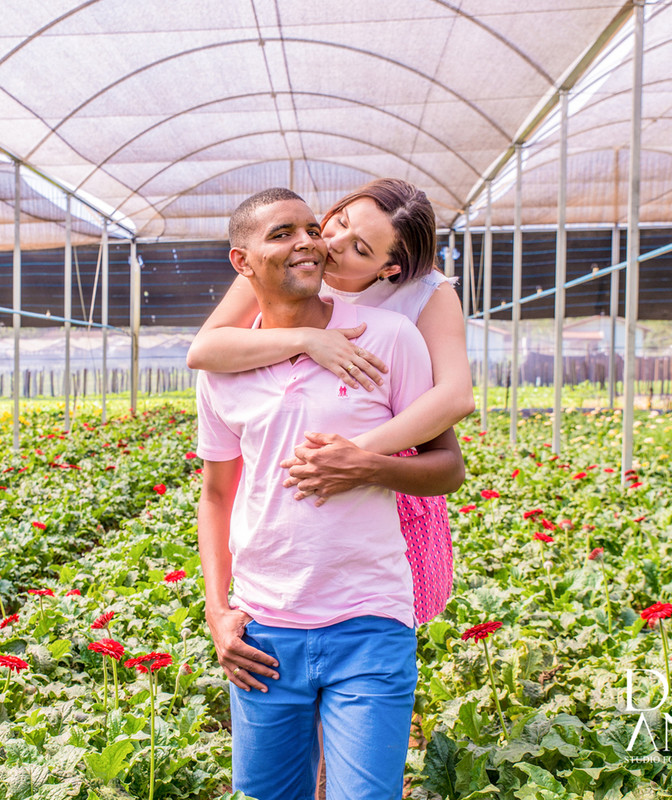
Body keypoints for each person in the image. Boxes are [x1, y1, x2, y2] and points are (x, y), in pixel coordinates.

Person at [196, 188, 465, 800]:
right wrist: (218, 609)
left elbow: (448, 455)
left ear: (388, 267)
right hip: (264, 624)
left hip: (368, 615)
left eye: (320, 231)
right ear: (243, 263)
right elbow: (215, 494)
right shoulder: (226, 364)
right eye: (327, 226)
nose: (320, 242)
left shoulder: (397, 332)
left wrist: (365, 463)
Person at [188, 178, 473, 625]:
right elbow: (204, 350)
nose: (332, 245)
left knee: (389, 615)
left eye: (360, 249)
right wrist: (309, 339)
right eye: (336, 222)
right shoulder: (288, 264)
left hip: (386, 465)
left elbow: (455, 396)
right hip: (288, 513)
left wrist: (357, 455)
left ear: (389, 270)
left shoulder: (425, 295)